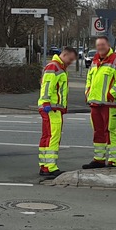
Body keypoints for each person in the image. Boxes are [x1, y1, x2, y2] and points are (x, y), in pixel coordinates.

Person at [82, 36, 116, 169]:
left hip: (109, 104)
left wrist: (111, 95)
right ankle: (99, 159)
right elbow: (89, 78)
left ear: (108, 45)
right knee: (98, 131)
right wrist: (87, 92)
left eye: (102, 45)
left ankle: (113, 160)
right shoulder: (95, 61)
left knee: (110, 131)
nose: (100, 47)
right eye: (98, 45)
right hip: (95, 103)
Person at [37, 47, 77, 179]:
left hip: (53, 107)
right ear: (64, 55)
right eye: (70, 59)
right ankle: (51, 167)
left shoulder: (57, 67)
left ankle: (44, 165)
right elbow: (47, 86)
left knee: (47, 136)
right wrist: (47, 103)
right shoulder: (55, 67)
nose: (71, 62)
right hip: (52, 108)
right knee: (53, 136)